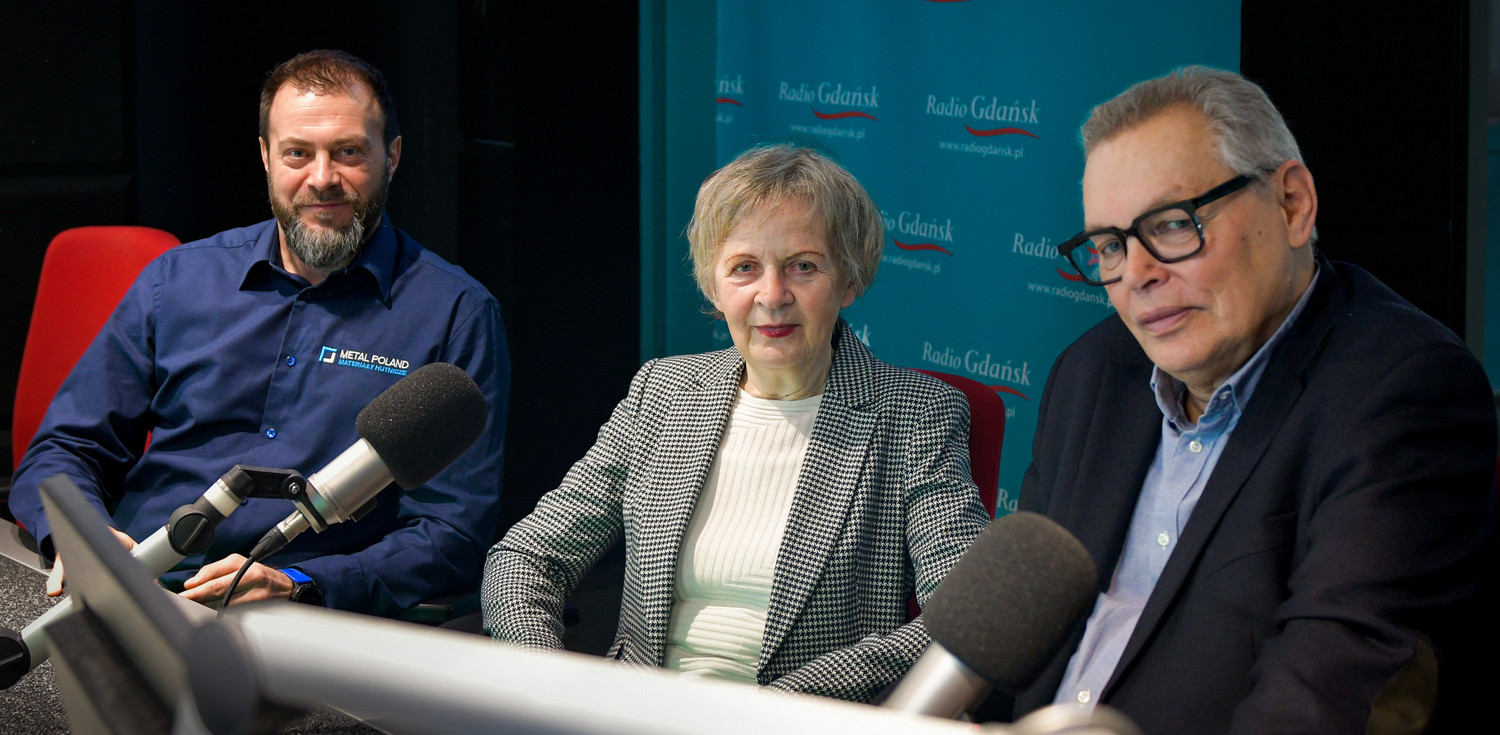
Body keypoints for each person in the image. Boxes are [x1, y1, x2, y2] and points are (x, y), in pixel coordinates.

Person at [996, 66, 1496, 733]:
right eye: (1111, 246)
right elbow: (1009, 646)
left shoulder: (1405, 392)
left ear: (1292, 204)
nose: (1138, 274)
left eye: (1172, 225)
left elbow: (1322, 704)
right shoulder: (1092, 371)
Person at [7, 50, 510, 617]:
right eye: (298, 153)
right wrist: (80, 534)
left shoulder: (457, 314)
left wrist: (296, 582)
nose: (322, 179)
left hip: (300, 623)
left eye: (348, 152)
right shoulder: (178, 280)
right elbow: (66, 447)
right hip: (128, 591)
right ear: (267, 157)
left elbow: (450, 534)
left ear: (391, 157)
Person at [481, 144, 990, 702]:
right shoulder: (663, 393)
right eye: (745, 268)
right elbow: (527, 558)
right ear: (714, 286)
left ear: (849, 280)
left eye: (803, 265)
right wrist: (548, 688)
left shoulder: (915, 415)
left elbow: (967, 616)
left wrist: (790, 700)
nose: (772, 296)